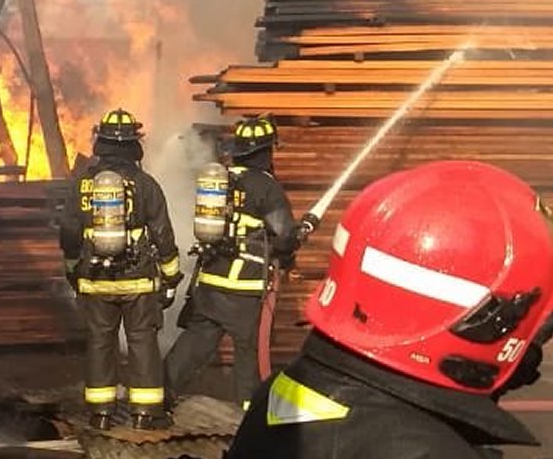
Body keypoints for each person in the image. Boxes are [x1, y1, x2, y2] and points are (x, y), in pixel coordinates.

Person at [227, 160, 553, 458]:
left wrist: (472, 388)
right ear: (486, 322)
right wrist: (483, 366)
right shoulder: (427, 450)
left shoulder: (286, 395)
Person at [164, 115, 298, 409]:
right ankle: (248, 413)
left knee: (195, 342)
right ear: (265, 151)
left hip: (210, 281)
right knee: (249, 351)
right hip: (244, 287)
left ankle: (161, 394)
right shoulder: (266, 187)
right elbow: (284, 235)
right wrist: (297, 237)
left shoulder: (221, 178)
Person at [60, 108, 182, 430]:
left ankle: (101, 414)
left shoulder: (82, 184)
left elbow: (69, 230)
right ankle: (146, 414)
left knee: (100, 341)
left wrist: (72, 268)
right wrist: (171, 276)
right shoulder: (145, 184)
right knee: (142, 341)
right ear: (133, 144)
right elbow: (163, 234)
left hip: (94, 279)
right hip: (138, 280)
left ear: (100, 143)